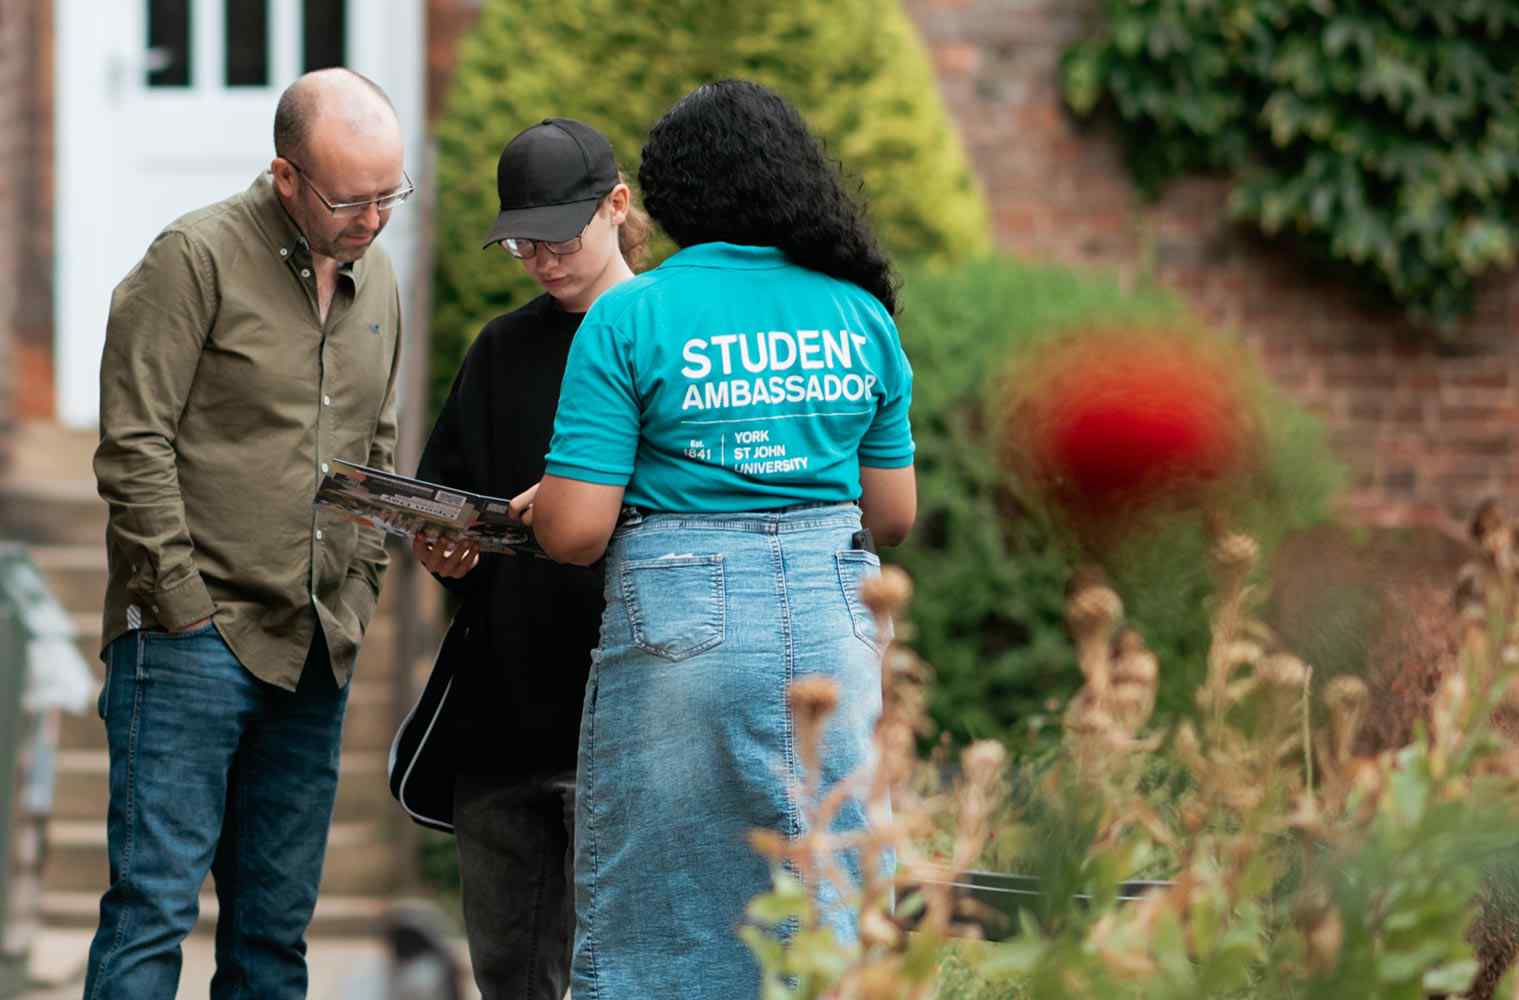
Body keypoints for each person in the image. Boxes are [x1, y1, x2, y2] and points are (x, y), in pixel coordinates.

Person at [512, 79, 918, 998]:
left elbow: (576, 533)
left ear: (666, 198)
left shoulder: (630, 316)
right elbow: (891, 515)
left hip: (679, 623)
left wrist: (552, 503)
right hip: (837, 620)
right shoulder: (859, 311)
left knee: (664, 919)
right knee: (834, 900)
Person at [87, 68, 409, 999]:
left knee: (273, 941)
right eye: (350, 200)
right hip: (192, 641)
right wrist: (181, 604)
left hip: (314, 648)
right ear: (286, 176)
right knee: (151, 915)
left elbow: (375, 446)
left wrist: (358, 595)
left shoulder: (380, 277)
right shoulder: (192, 259)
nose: (373, 219)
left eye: (389, 195)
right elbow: (133, 443)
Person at [407, 117, 649, 1000]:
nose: (540, 260)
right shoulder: (501, 348)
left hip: (626, 714)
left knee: (624, 977)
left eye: (557, 238)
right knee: (508, 978)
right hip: (502, 717)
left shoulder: (668, 337)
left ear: (616, 206)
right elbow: (446, 494)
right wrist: (444, 552)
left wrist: (579, 497)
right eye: (521, 244)